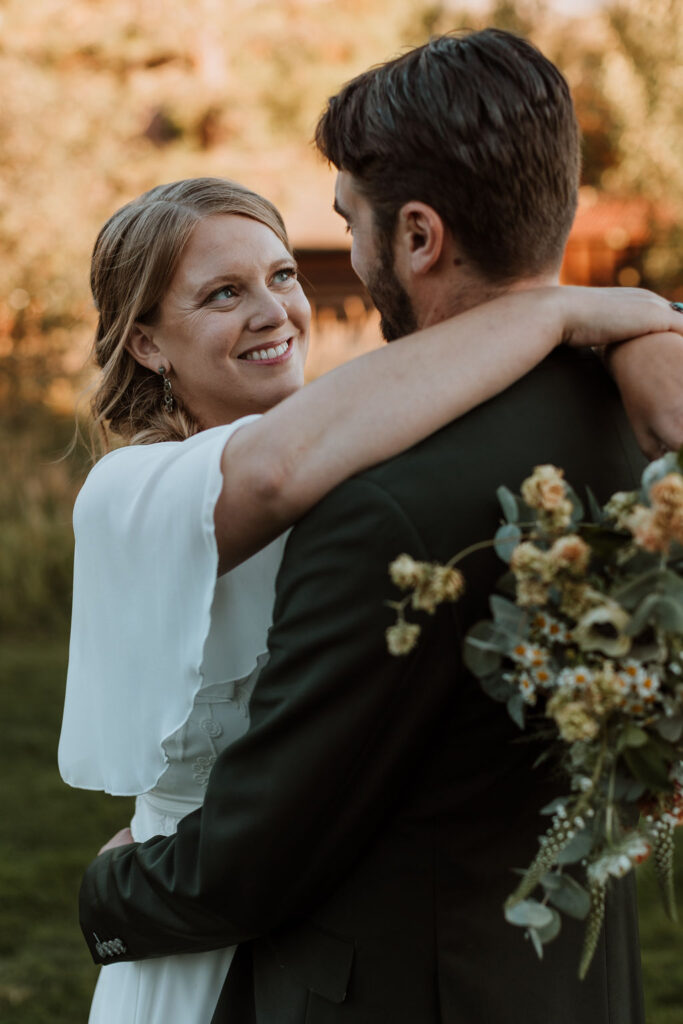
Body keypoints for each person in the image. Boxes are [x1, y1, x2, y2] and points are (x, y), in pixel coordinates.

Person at [70, 30, 683, 1024]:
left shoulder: (378, 499)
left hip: (387, 970)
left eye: (298, 259)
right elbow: (275, 465)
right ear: (143, 341)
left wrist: (105, 893)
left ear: (416, 237)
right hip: (562, 966)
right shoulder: (625, 422)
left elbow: (268, 842)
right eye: (223, 292)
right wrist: (612, 313)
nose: (287, 304)